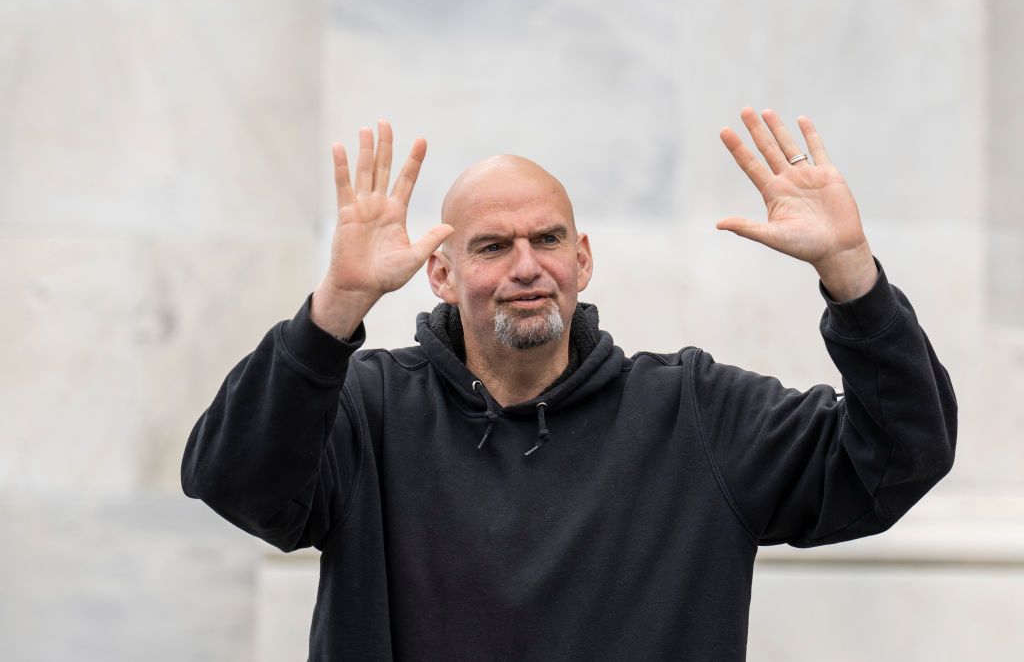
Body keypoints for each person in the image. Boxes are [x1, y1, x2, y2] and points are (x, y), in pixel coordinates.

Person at [181, 109, 956, 660]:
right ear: (441, 275)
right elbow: (232, 477)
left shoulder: (695, 412)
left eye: (547, 238)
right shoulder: (366, 408)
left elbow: (897, 457)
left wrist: (851, 272)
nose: (526, 265)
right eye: (492, 245)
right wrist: (332, 312)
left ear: (581, 260)